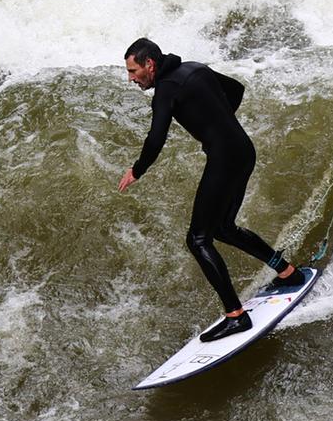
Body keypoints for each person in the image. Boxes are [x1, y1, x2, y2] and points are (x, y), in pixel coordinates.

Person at [118, 39, 306, 343]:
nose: (131, 78)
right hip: (243, 151)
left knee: (198, 238)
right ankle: (287, 272)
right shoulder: (194, 68)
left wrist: (137, 170)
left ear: (149, 64)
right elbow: (236, 90)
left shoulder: (166, 89)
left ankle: (236, 316)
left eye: (134, 70)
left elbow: (156, 138)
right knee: (223, 228)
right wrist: (218, 123)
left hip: (224, 158)